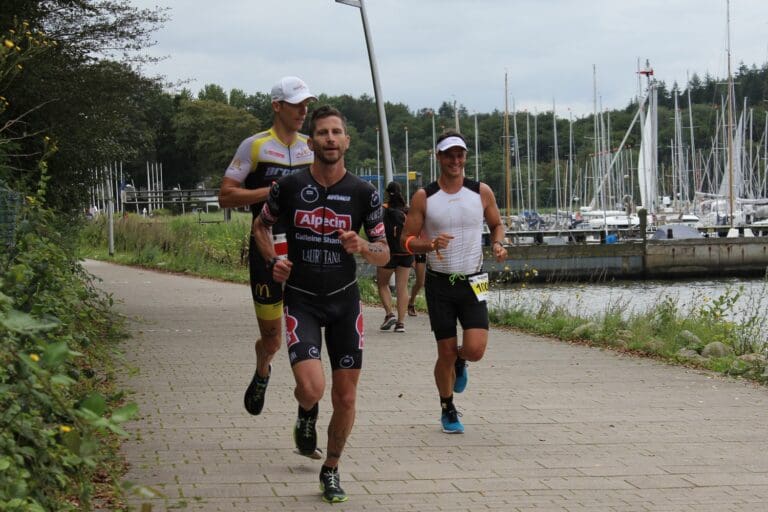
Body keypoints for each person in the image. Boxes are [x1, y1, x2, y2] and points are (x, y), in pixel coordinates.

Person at [252, 105, 389, 503]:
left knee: (345, 397)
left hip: (345, 303)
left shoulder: (364, 193)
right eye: (323, 133)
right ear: (311, 143)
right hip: (302, 301)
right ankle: (305, 413)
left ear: (346, 141)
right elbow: (262, 225)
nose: (330, 138)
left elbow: (384, 252)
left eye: (337, 132)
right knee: (311, 388)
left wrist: (363, 246)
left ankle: (330, 468)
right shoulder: (289, 187)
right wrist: (273, 259)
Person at [218, 76, 317, 417]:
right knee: (273, 340)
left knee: (307, 337)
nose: (304, 110)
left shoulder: (311, 146)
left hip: (307, 249)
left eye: (307, 104)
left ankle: (308, 409)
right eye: (297, 104)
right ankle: (263, 369)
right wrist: (273, 191)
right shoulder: (255, 146)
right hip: (266, 248)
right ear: (278, 106)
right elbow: (226, 196)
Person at [400, 129, 508, 434]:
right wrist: (430, 245)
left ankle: (461, 362)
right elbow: (405, 240)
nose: (455, 160)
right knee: (444, 351)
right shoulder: (425, 196)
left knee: (475, 349)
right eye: (449, 155)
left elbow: (497, 224)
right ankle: (447, 407)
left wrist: (498, 244)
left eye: (460, 154)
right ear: (439, 157)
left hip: (476, 279)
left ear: (465, 158)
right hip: (439, 283)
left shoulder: (481, 191)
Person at [377, 181, 413, 333]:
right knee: (402, 287)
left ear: (387, 193)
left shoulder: (383, 210)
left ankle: (389, 314)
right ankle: (400, 323)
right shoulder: (407, 210)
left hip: (389, 253)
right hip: (406, 253)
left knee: (382, 284)